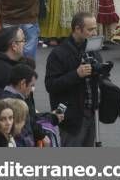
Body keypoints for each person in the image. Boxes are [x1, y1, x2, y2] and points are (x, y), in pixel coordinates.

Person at [45, 12, 104, 147]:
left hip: (91, 113)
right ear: (77, 29)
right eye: (90, 29)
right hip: (72, 116)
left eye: (95, 28)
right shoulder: (59, 53)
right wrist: (76, 74)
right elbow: (51, 85)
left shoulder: (92, 50)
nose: (94, 33)